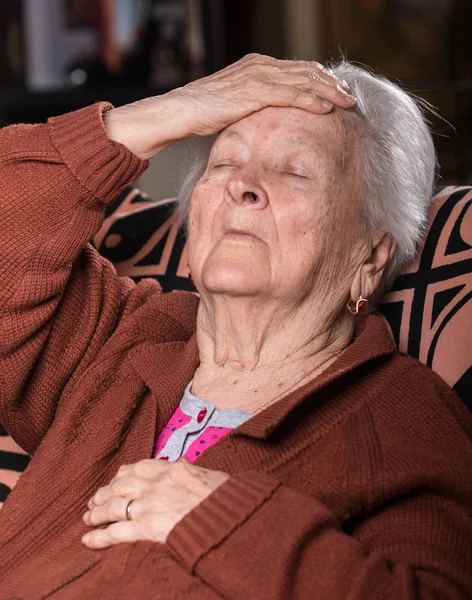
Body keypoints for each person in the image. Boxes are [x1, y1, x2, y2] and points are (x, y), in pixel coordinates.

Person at [0, 54, 471, 599]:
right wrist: (170, 111)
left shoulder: (401, 422)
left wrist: (218, 519)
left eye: (295, 171)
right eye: (224, 163)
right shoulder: (123, 339)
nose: (243, 185)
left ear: (370, 256)